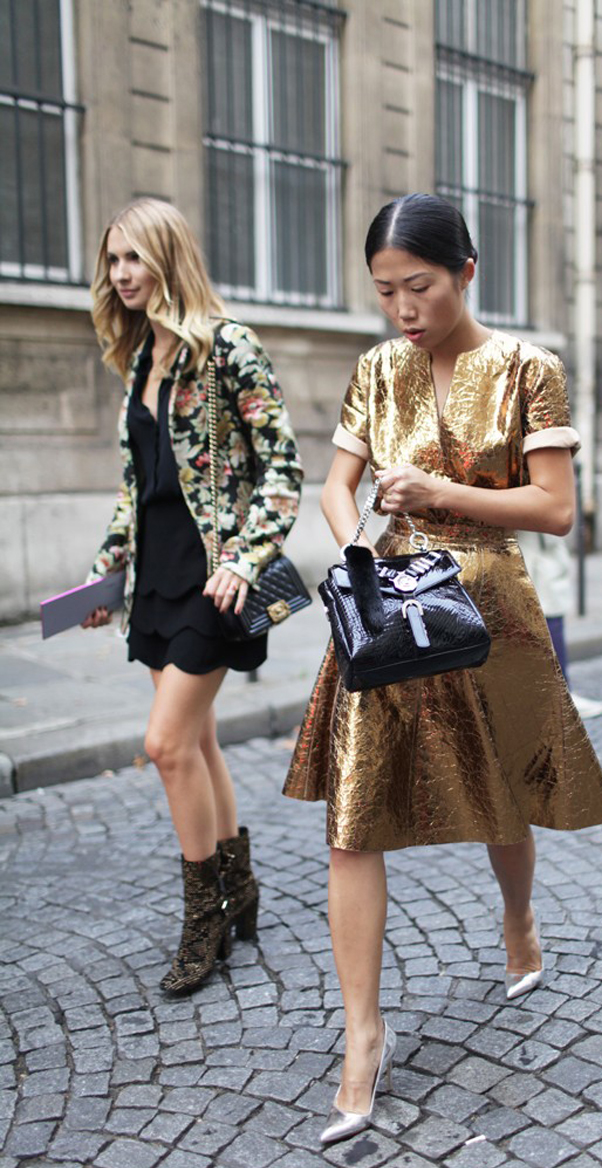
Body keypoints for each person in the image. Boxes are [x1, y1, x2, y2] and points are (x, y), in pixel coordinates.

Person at [283, 193, 602, 1145]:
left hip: (492, 609)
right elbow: (335, 487)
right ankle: (364, 1034)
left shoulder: (528, 369)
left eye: (418, 286)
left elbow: (555, 509)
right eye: (386, 290)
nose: (402, 308)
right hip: (389, 613)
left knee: (503, 796)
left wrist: (439, 491)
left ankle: (518, 917)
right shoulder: (377, 369)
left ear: (466, 271)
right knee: (353, 821)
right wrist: (359, 554)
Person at [83, 198, 302, 995]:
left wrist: (245, 558)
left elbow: (282, 469)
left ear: (167, 256)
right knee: (199, 742)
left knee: (166, 745)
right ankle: (239, 886)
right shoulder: (142, 354)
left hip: (216, 581)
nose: (121, 275)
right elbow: (136, 482)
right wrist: (108, 568)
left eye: (134, 258)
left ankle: (203, 917)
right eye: (112, 262)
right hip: (156, 582)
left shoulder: (229, 348)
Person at [517, 531, 602, 718]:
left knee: (549, 601)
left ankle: (558, 692)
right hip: (527, 535)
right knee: (545, 603)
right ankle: (559, 694)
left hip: (538, 537)